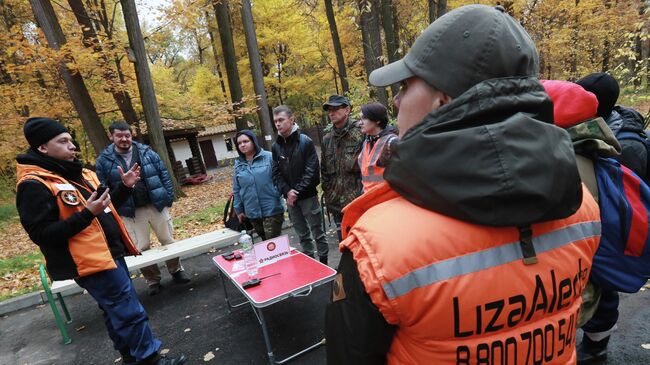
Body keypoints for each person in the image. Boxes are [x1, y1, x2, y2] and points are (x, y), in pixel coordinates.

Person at [325, 5, 601, 364]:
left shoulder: (377, 247)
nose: (395, 100)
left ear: (443, 100)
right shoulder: (583, 205)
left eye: (406, 85)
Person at [15, 118, 186, 365]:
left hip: (110, 253)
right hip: (91, 262)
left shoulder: (79, 173)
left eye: (71, 141)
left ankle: (130, 357)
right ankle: (150, 359)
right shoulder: (34, 184)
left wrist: (124, 188)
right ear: (43, 147)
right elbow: (41, 234)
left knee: (115, 310)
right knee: (129, 311)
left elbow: (104, 205)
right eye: (63, 142)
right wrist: (87, 214)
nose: (72, 146)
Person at [575, 73, 649, 363]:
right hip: (604, 225)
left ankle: (596, 348)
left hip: (611, 229)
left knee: (602, 287)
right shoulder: (613, 128)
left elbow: (620, 199)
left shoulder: (623, 146)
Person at [96, 121, 190, 296]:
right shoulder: (104, 160)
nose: (124, 139)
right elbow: (102, 186)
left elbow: (164, 173)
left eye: (127, 135)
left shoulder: (147, 152)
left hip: (156, 204)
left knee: (167, 239)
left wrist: (168, 196)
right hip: (130, 211)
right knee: (141, 247)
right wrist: (115, 207)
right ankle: (153, 280)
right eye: (119, 136)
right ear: (111, 136)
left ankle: (176, 270)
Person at [271, 105, 329, 264]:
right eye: (275, 121)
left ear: (291, 119)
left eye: (281, 120)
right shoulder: (276, 146)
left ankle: (325, 265)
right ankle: (310, 264)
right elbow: (276, 173)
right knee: (302, 235)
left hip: (307, 197)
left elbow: (311, 171)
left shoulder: (305, 142)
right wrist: (287, 191)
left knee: (318, 233)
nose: (278, 124)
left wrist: (295, 191)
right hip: (290, 200)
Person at [321, 95, 363, 241]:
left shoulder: (360, 132)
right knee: (344, 244)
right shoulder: (327, 139)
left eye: (335, 109)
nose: (331, 113)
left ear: (347, 110)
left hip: (358, 202)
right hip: (337, 204)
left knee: (363, 243)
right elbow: (325, 171)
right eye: (329, 110)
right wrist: (329, 196)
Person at [232, 129, 284, 240]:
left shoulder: (269, 157)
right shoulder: (238, 164)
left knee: (273, 244)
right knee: (265, 243)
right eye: (239, 143)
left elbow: (280, 179)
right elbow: (236, 189)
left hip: (271, 209)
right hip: (252, 212)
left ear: (253, 141)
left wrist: (276, 193)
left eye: (246, 141)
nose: (242, 145)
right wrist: (239, 210)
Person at [357, 102, 398, 193]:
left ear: (377, 120)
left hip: (386, 200)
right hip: (368, 198)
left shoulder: (391, 142)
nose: (360, 123)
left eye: (363, 118)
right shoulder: (367, 142)